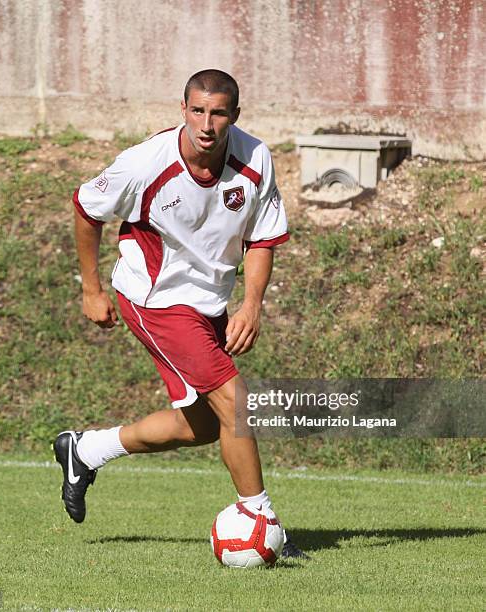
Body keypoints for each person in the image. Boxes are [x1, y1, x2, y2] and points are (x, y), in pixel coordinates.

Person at [54, 69, 303, 558]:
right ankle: (262, 518)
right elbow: (87, 208)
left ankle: (85, 450)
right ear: (183, 109)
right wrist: (90, 288)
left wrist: (251, 303)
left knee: (206, 426)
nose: (207, 124)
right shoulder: (144, 163)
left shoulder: (255, 158)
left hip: (209, 301)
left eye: (218, 113)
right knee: (235, 402)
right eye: (197, 111)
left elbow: (263, 237)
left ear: (235, 114)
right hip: (155, 299)